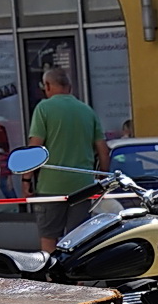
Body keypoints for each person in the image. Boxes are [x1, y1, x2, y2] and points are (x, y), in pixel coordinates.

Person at [24, 66, 108, 251]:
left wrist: (26, 179)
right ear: (69, 86)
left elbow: (35, 147)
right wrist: (102, 177)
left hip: (50, 187)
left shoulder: (43, 108)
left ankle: (51, 277)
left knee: (49, 236)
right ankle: (76, 280)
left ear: (47, 85)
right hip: (83, 186)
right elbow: (103, 149)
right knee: (79, 237)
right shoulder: (87, 110)